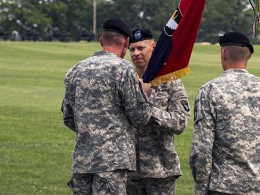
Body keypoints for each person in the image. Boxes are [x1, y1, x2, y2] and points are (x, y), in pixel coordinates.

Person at [189, 31, 260, 195]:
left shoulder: (210, 90)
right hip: (259, 187)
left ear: (223, 53)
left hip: (222, 187)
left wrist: (201, 187)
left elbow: (202, 147)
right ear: (248, 56)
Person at [62, 18, 151, 195]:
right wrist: (145, 93)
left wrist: (90, 131)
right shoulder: (124, 69)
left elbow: (68, 117)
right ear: (126, 42)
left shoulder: (75, 70)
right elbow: (140, 116)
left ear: (102, 40)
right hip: (112, 163)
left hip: (82, 161)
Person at [127, 28, 190, 195]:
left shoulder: (170, 80)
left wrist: (146, 106)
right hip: (127, 170)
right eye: (132, 49)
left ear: (153, 47)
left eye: (141, 48)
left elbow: (180, 122)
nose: (136, 53)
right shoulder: (125, 81)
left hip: (161, 170)